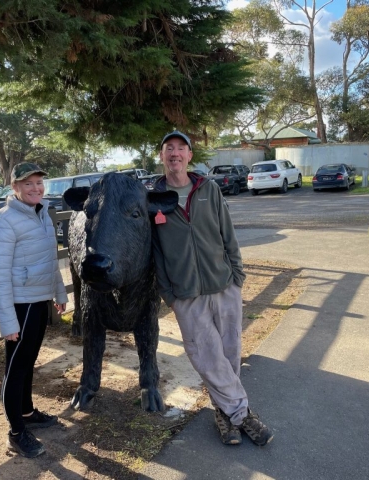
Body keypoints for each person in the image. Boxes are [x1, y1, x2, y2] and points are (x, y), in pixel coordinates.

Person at [151, 130, 274, 447]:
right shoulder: (152, 200)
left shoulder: (208, 189)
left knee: (229, 354)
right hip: (186, 294)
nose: (175, 153)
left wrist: (237, 275)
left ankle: (224, 415)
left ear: (190, 156)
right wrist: (170, 295)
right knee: (207, 357)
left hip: (224, 285)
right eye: (169, 149)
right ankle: (244, 416)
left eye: (181, 148)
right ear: (162, 156)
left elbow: (227, 233)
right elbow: (155, 253)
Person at [0, 162, 68, 458]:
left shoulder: (42, 214)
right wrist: (7, 321)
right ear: (15, 188)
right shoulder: (3, 222)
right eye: (28, 183)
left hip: (39, 300)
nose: (36, 188)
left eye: (38, 183)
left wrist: (58, 292)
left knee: (29, 360)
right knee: (16, 367)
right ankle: (16, 432)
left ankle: (27, 411)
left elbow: (49, 260)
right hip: (20, 305)